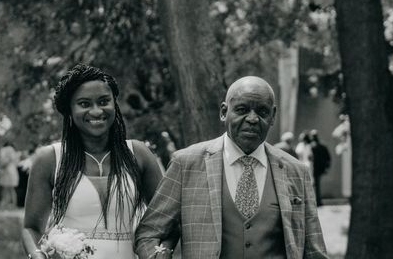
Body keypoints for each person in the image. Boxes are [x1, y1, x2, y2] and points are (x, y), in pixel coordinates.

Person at [134, 76, 328, 259]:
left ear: (273, 116)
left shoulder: (296, 171)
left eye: (262, 112)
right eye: (242, 110)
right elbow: (149, 232)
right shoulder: (186, 164)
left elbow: (315, 252)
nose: (252, 119)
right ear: (224, 112)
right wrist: (157, 254)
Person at [22, 64, 166, 259]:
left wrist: (160, 252)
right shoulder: (50, 159)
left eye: (104, 101)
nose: (97, 111)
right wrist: (39, 256)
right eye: (84, 104)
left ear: (114, 104)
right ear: (70, 110)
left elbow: (165, 220)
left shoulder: (138, 154)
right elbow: (31, 228)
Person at [309, 130, 331, 207]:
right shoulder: (321, 146)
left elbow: (327, 158)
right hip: (317, 168)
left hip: (314, 168)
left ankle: (316, 201)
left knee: (315, 185)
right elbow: (328, 158)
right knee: (316, 185)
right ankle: (317, 201)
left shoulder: (311, 147)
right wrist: (326, 167)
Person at [0, 140, 20, 209]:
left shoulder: (5, 150)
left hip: (8, 171)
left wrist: (1, 166)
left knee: (7, 189)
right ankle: (12, 204)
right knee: (11, 189)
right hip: (12, 171)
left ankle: (7, 204)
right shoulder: (13, 152)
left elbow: (4, 162)